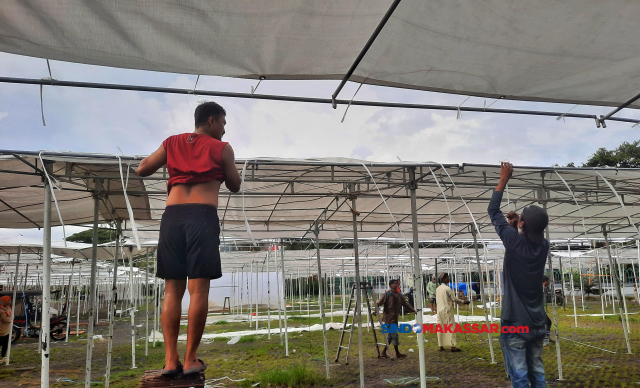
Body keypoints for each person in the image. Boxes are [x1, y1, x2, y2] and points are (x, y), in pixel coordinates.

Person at [138, 101, 242, 376]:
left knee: (172, 290)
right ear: (211, 120)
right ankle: (191, 359)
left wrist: (175, 163)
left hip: (172, 217)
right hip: (202, 217)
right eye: (223, 122)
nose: (224, 127)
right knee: (199, 290)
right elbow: (235, 184)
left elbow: (142, 168)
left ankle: (171, 361)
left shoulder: (172, 142)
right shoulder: (222, 148)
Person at [488, 162, 549, 388]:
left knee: (520, 376)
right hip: (537, 323)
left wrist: (504, 179)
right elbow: (524, 242)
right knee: (537, 372)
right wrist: (517, 227)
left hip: (515, 324)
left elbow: (493, 211)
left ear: (522, 223)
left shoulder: (516, 242)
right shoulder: (544, 246)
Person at [376, 279, 416, 360]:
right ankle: (397, 353)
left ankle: (383, 352)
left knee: (390, 336)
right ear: (390, 285)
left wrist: (413, 310)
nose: (395, 285)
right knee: (394, 335)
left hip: (395, 318)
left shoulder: (399, 295)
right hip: (388, 318)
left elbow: (405, 304)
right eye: (393, 283)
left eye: (396, 283)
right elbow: (379, 303)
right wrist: (375, 311)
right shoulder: (387, 294)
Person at [435, 272, 470, 352]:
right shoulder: (447, 289)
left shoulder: (438, 289)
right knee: (451, 327)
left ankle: (440, 345)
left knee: (440, 327)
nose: (449, 279)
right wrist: (464, 302)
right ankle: (452, 346)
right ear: (444, 279)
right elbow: (454, 299)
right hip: (447, 310)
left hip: (439, 310)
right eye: (448, 277)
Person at [0, 296, 12, 363]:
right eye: (8, 300)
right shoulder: (1, 310)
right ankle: (2, 357)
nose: (10, 301)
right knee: (3, 343)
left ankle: (3, 357)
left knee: (5, 344)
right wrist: (10, 318)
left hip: (6, 330)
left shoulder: (5, 308)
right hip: (2, 330)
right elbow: (6, 319)